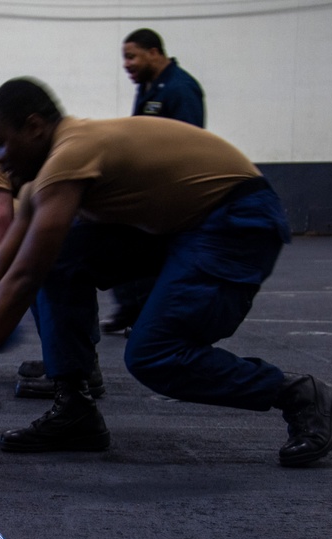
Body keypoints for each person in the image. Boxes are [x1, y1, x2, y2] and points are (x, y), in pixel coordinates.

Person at [0, 77, 332, 468]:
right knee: (60, 259)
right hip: (179, 226)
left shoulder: (70, 154)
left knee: (154, 354)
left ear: (36, 127)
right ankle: (74, 410)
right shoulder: (40, 179)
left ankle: (299, 393)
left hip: (236, 219)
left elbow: (21, 278)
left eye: (0, 143)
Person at [0, 107, 105, 400]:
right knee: (39, 257)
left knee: (40, 263)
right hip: (99, 220)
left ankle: (77, 373)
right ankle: (73, 363)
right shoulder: (17, 157)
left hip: (105, 223)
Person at [104, 28, 207, 334]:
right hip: (146, 184)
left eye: (131, 56)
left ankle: (150, 318)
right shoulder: (147, 87)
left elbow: (189, 143)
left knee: (154, 252)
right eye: (124, 57)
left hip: (171, 188)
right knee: (118, 237)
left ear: (154, 53)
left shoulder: (180, 88)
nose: (126, 64)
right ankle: (131, 309)